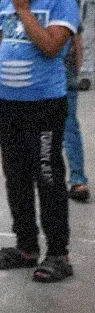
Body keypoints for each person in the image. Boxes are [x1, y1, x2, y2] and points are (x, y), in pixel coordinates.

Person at [0, 0, 77, 283]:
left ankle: (58, 252)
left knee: (48, 176)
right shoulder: (7, 2)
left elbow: (52, 47)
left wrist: (24, 9)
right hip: (8, 104)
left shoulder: (62, 1)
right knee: (16, 176)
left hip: (44, 106)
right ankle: (25, 246)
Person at [66, 28, 89, 203]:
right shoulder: (67, 2)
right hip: (66, 70)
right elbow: (78, 43)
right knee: (69, 126)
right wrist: (76, 71)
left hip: (41, 72)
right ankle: (78, 179)